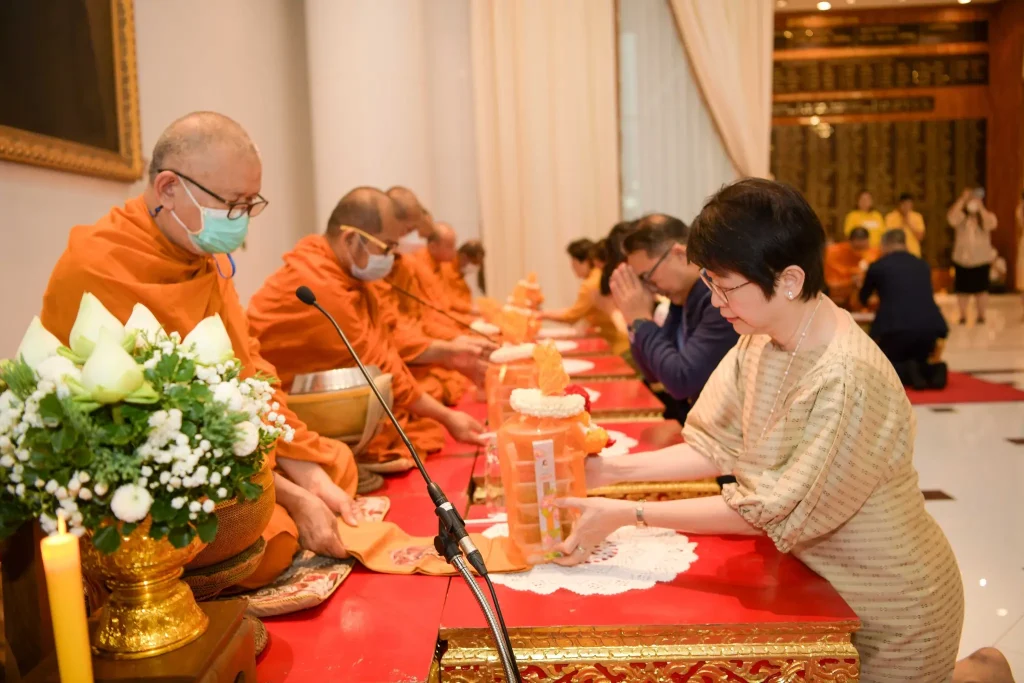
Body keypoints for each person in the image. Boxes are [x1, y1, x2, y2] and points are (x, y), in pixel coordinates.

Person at [556, 179, 964, 683]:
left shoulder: (844, 376)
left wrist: (628, 512)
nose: (717, 300)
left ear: (789, 279)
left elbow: (771, 510)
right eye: (709, 283)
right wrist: (607, 470)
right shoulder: (763, 335)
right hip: (816, 582)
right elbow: (713, 443)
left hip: (890, 601)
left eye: (726, 286)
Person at [40, 111, 359, 588]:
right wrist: (293, 496)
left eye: (250, 205)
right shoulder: (98, 268)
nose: (241, 222)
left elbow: (249, 370)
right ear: (168, 187)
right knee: (268, 531)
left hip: (234, 452)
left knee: (333, 466)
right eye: (232, 204)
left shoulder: (199, 258)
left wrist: (308, 477)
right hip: (155, 483)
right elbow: (151, 433)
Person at [247, 187, 487, 472]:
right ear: (351, 239)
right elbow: (374, 363)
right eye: (386, 247)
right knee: (413, 422)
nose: (392, 256)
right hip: (283, 410)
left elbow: (390, 334)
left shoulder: (346, 272)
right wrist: (447, 417)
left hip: (340, 392)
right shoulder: (320, 284)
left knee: (419, 414)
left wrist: (447, 352)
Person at [609, 214, 738, 423]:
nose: (650, 288)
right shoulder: (683, 299)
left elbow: (680, 380)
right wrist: (634, 321)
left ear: (679, 253)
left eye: (646, 277)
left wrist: (641, 320)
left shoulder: (719, 299)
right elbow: (654, 373)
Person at [860, 229, 948, 390]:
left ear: (885, 245)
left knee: (884, 367)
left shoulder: (878, 266)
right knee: (919, 357)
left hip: (895, 330)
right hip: (930, 330)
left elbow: (863, 298)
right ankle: (932, 370)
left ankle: (908, 371)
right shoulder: (922, 265)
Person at [539, 239, 630, 354]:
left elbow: (571, 316)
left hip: (615, 343)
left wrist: (541, 314)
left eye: (573, 261)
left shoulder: (591, 284)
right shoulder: (597, 277)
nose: (572, 266)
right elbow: (575, 310)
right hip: (618, 339)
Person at [948, 188, 998, 325]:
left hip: (981, 260)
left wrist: (980, 206)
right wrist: (962, 200)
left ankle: (981, 315)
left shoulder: (986, 217)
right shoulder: (961, 218)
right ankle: (963, 315)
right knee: (962, 290)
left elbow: (991, 223)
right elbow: (951, 218)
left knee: (981, 290)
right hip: (962, 260)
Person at [824, 227, 879, 309]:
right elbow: (831, 282)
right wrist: (851, 280)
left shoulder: (874, 252)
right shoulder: (833, 253)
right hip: (837, 293)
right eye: (856, 248)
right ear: (849, 242)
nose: (859, 252)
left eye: (862, 248)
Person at [442, 240, 486, 314]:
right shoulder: (446, 270)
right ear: (463, 257)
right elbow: (449, 300)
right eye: (474, 262)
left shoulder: (459, 274)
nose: (476, 266)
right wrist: (469, 309)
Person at [884, 192, 926, 257]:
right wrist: (902, 223)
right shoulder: (890, 217)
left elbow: (920, 237)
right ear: (900, 204)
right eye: (905, 204)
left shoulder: (917, 217)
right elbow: (889, 238)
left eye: (909, 204)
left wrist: (909, 223)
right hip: (895, 254)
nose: (907, 207)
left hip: (914, 254)